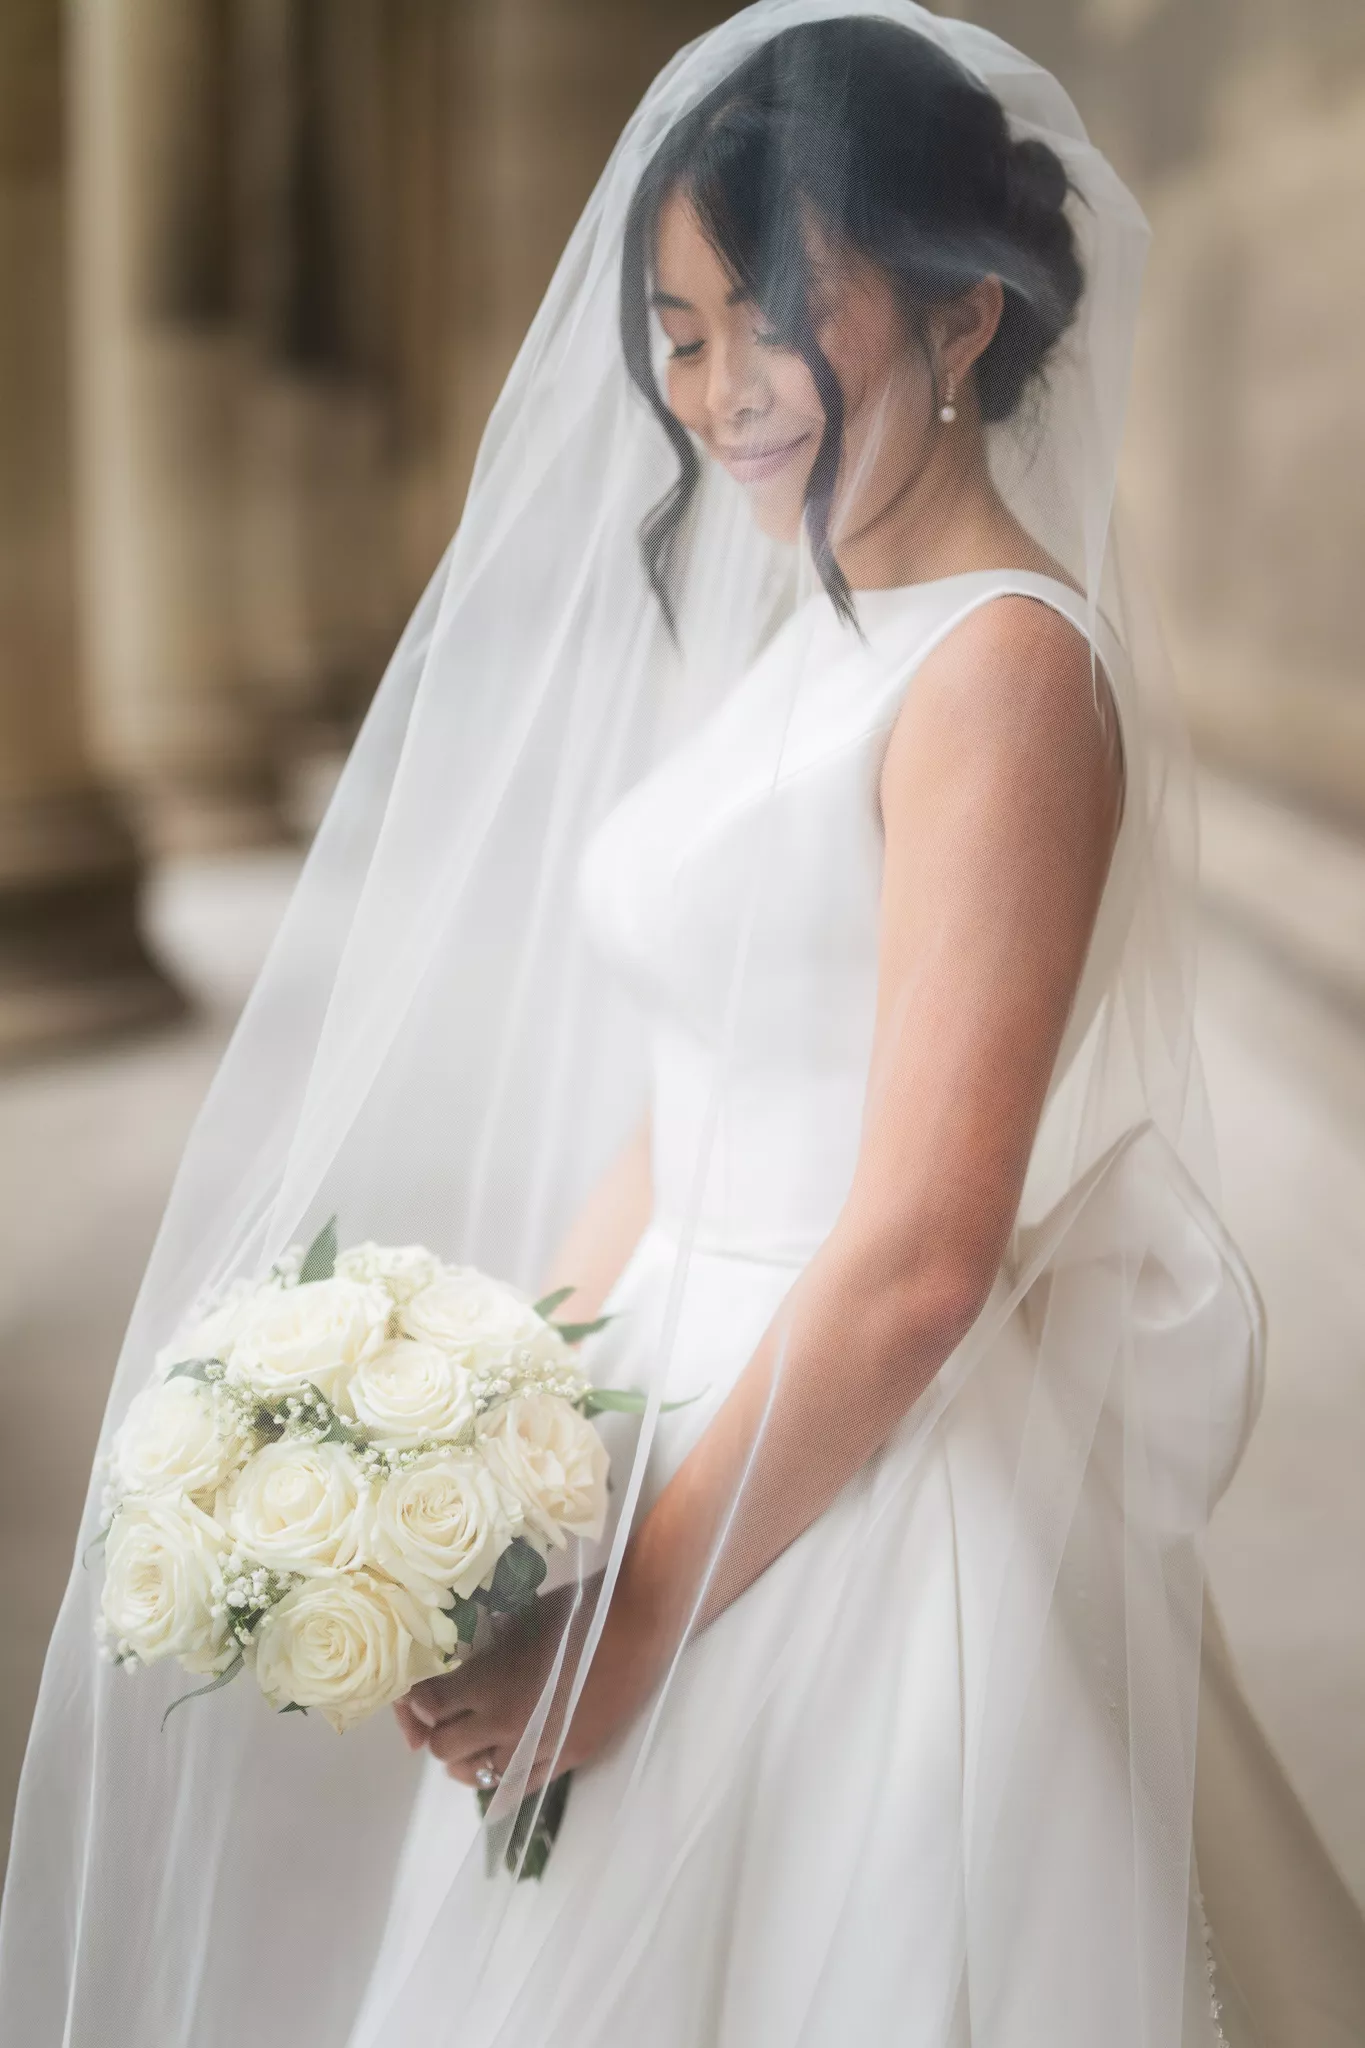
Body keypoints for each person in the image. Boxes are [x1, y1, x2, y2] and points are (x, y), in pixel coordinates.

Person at [3, 8, 1362, 2046]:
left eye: (776, 323)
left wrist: (636, 1615)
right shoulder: (824, 627)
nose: (720, 393)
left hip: (854, 1469)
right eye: (680, 331)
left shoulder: (998, 673)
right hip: (668, 1397)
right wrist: (497, 1427)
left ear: (965, 315)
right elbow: (686, 1093)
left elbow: (922, 1250)